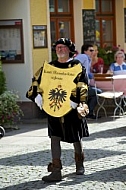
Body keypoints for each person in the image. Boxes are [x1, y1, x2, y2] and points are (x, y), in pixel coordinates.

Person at [26, 38, 89, 182]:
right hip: (54, 106)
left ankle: (79, 164)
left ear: (69, 50)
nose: (59, 50)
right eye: (57, 47)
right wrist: (37, 96)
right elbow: (36, 80)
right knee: (54, 137)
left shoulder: (76, 66)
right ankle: (56, 170)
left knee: (75, 136)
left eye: (63, 47)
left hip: (71, 108)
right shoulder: (50, 67)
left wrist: (75, 99)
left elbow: (83, 83)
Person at [74, 44, 102, 119]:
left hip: (84, 86)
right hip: (79, 87)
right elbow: (74, 64)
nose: (93, 52)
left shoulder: (88, 59)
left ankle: (87, 112)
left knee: (95, 94)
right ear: (85, 51)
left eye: (93, 50)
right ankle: (87, 113)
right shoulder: (83, 56)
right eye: (91, 50)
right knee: (97, 92)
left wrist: (93, 75)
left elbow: (87, 72)